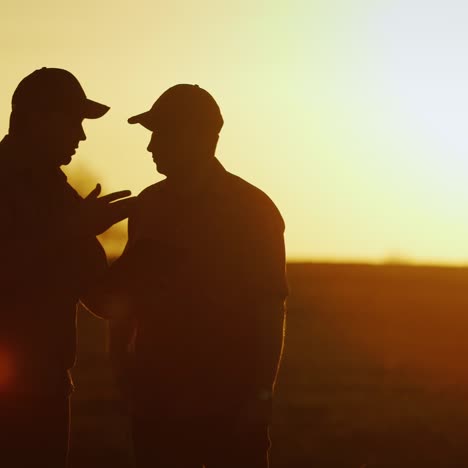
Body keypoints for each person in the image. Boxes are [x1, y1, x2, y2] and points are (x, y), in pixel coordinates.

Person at [100, 84, 288, 467]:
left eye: (162, 133)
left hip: (229, 408)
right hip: (158, 406)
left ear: (203, 137)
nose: (151, 147)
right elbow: (128, 296)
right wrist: (120, 365)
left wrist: (259, 398)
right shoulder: (148, 205)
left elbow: (269, 310)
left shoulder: (253, 210)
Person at [0, 67, 134, 467]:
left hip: (45, 392)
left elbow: (102, 297)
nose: (81, 135)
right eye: (73, 121)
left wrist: (148, 253)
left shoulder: (56, 192)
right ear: (38, 119)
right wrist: (73, 230)